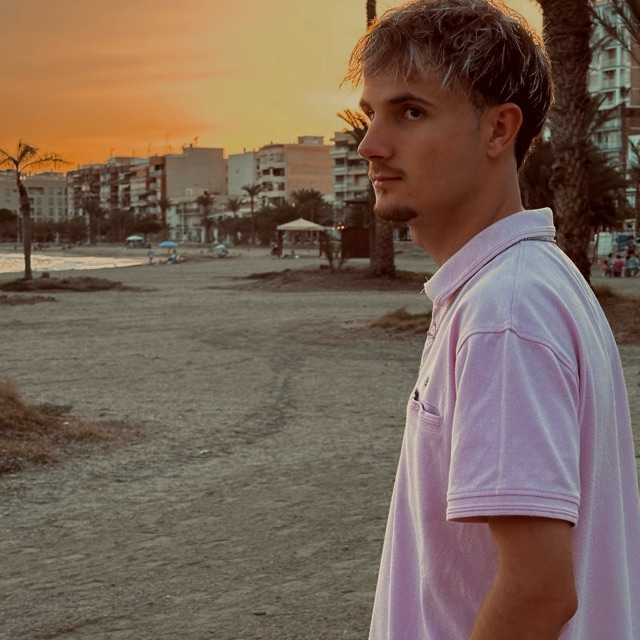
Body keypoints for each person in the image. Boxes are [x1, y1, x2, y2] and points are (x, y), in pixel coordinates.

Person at [346, 1, 640, 638]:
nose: (371, 145)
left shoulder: (505, 311)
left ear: (499, 129)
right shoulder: (524, 284)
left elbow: (538, 593)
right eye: (372, 115)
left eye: (410, 111)